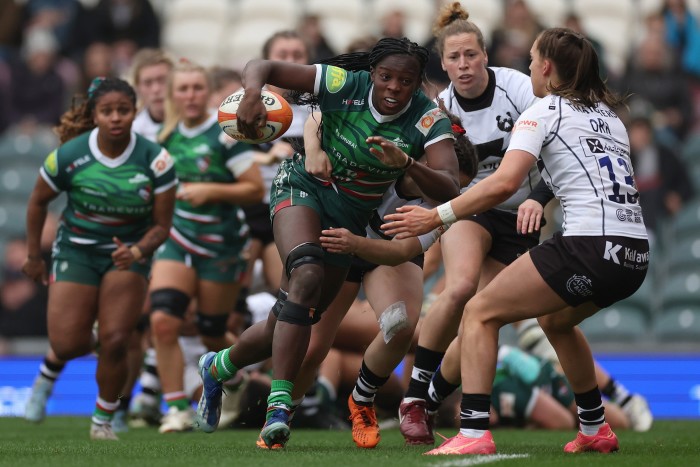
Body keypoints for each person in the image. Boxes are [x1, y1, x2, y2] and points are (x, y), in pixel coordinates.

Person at [382, 27, 649, 455]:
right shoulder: (610, 118)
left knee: (480, 312)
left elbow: (504, 184)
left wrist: (436, 215)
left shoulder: (542, 110)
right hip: (634, 254)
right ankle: (595, 426)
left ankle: (471, 432)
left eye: (531, 60)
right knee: (557, 322)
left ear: (545, 67)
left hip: (586, 247)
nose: (527, 68)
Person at [193, 36, 461, 450]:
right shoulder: (343, 83)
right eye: (386, 77)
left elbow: (450, 187)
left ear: (417, 83)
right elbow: (261, 66)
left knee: (285, 320)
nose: (393, 87)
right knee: (305, 275)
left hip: (351, 228)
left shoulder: (427, 123)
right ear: (371, 74)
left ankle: (218, 367)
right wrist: (252, 94)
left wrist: (405, 163)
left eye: (405, 81)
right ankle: (279, 409)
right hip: (302, 189)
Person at [395, 2, 543, 446]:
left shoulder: (518, 87)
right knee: (458, 289)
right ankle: (416, 394)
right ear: (443, 63)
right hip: (468, 208)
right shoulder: (438, 107)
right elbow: (425, 173)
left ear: (485, 55)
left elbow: (555, 149)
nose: (463, 65)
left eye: (471, 55)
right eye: (454, 58)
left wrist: (538, 198)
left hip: (520, 215)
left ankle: (433, 394)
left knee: (486, 314)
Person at [287, 106, 476, 449]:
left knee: (399, 324)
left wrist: (356, 243)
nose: (444, 199)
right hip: (338, 241)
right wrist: (313, 152)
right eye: (444, 187)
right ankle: (281, 414)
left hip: (376, 250)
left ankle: (362, 400)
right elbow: (319, 116)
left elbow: (399, 253)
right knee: (312, 348)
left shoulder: (444, 210)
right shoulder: (387, 145)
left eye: (453, 192)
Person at [22, 76, 177, 440]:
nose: (116, 118)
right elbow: (37, 201)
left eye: (123, 110)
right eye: (107, 111)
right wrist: (33, 256)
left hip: (128, 255)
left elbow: (162, 225)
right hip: (76, 250)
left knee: (118, 339)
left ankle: (103, 420)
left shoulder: (156, 160)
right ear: (94, 115)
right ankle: (87, 341)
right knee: (66, 344)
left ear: (134, 112)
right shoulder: (69, 155)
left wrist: (138, 250)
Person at [148, 59, 263, 434]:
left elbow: (255, 188)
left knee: (213, 331)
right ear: (172, 96)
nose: (191, 95)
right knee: (163, 320)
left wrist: (210, 189)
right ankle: (176, 408)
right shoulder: (163, 140)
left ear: (206, 92)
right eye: (183, 89)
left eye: (197, 87)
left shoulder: (226, 135)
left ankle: (240, 381)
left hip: (222, 246)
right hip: (178, 241)